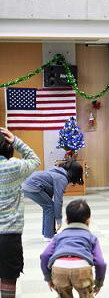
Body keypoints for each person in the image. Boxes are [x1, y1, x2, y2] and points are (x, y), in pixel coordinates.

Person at [0, 128, 40, 298]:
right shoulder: (14, 167)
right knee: (8, 279)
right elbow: (34, 160)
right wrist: (16, 140)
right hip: (10, 235)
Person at [40, 199, 107, 298]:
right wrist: (98, 283)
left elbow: (44, 255)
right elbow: (101, 263)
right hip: (81, 269)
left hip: (60, 268)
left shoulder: (58, 236)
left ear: (66, 220)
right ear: (88, 220)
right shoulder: (91, 238)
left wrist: (48, 278)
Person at [22, 160, 84, 241]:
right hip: (33, 186)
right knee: (49, 207)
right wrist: (59, 219)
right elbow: (58, 200)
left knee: (47, 207)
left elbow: (49, 191)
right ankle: (48, 236)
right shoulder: (62, 178)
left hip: (27, 185)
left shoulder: (57, 171)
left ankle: (48, 233)